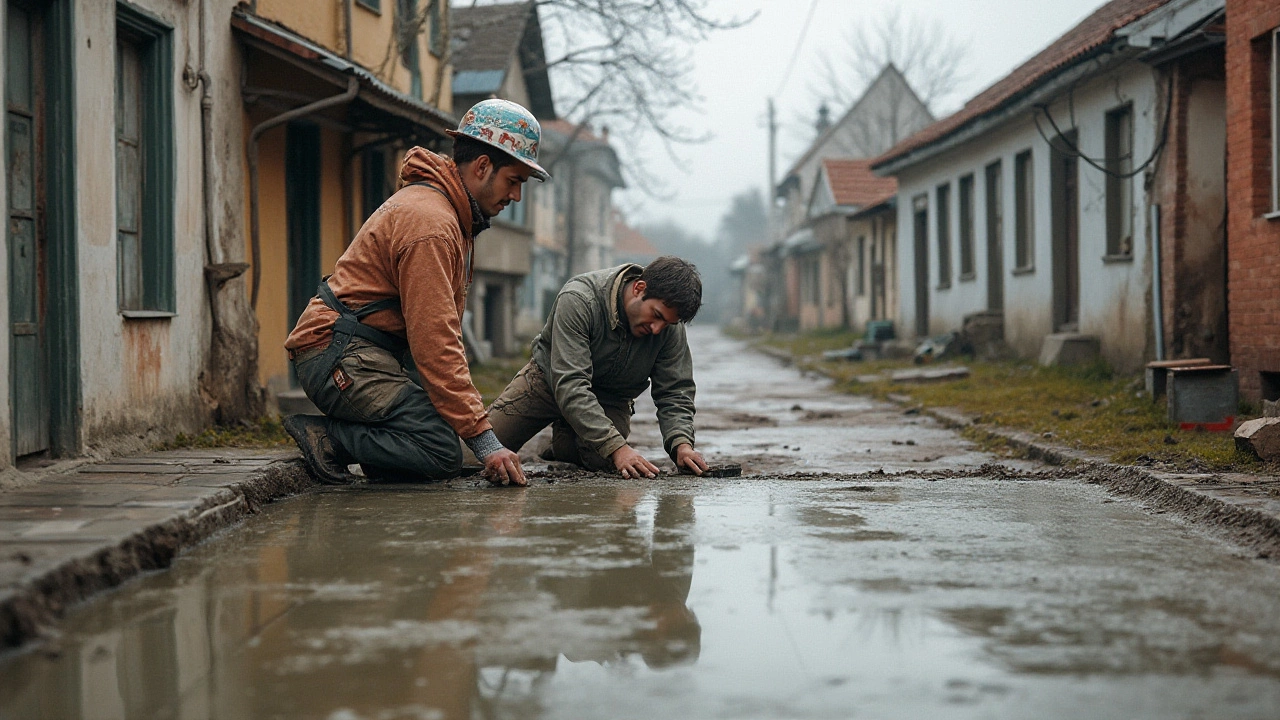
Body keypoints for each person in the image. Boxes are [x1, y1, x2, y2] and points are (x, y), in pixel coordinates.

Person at [282, 99, 549, 487]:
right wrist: (485, 440)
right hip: (338, 355)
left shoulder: (447, 214)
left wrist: (463, 421)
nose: (517, 197)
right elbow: (434, 341)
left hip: (362, 352)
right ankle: (329, 438)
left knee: (443, 436)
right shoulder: (432, 224)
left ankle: (379, 450)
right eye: (515, 181)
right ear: (482, 167)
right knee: (440, 450)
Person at [488, 256, 710, 478]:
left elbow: (674, 390)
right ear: (639, 288)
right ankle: (568, 432)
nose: (656, 329)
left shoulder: (668, 328)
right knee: (473, 456)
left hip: (610, 398)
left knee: (601, 461)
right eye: (656, 315)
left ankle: (564, 444)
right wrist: (619, 448)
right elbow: (571, 385)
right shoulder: (579, 299)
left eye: (667, 324)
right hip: (548, 384)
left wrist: (681, 444)